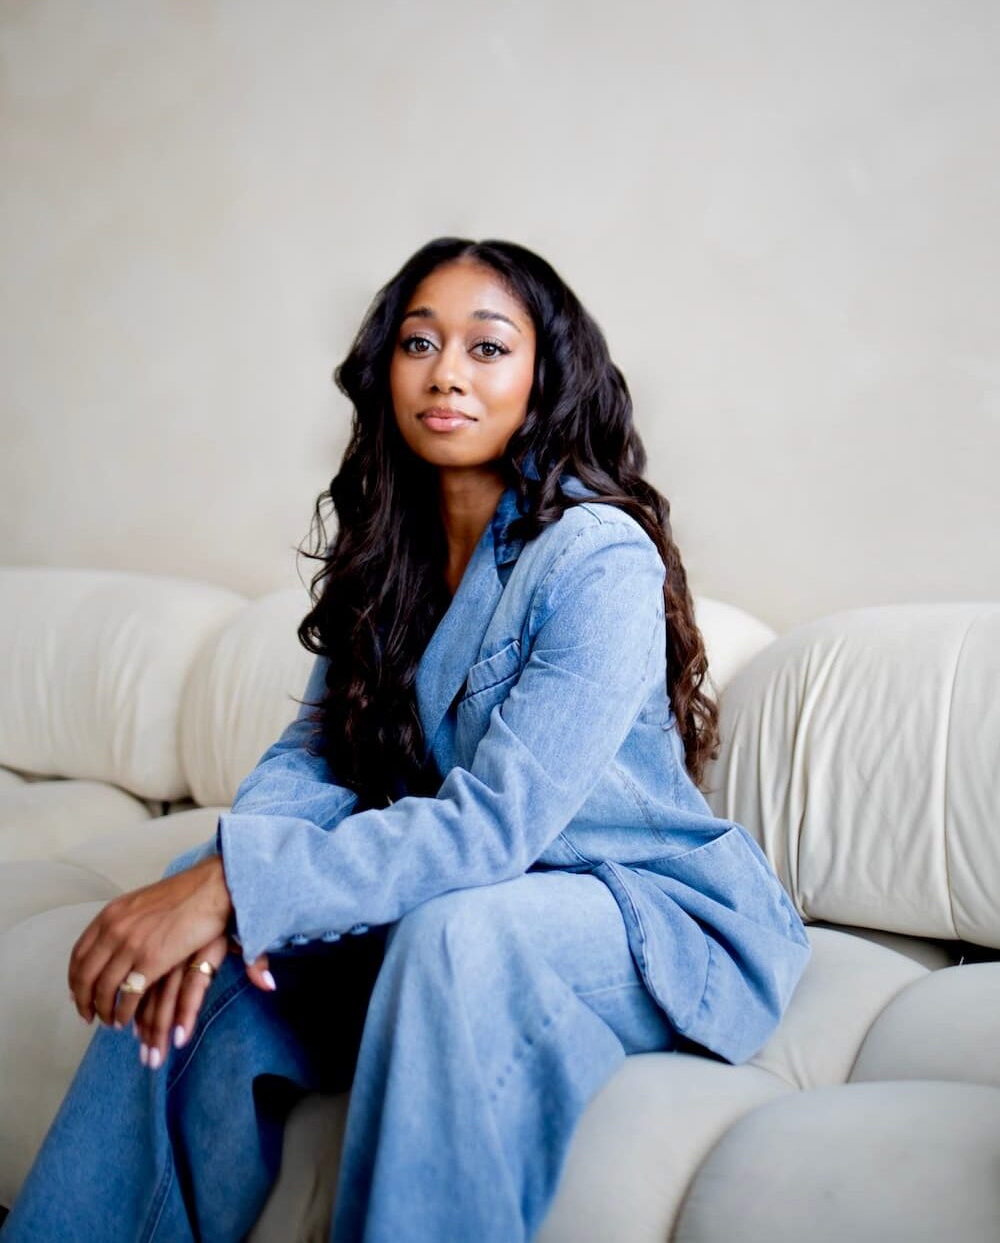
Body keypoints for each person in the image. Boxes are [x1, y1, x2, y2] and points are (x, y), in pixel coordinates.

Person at [3, 237, 812, 1242]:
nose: (445, 372)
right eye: (419, 342)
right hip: (461, 886)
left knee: (445, 931)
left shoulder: (598, 557)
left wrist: (237, 885)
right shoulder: (386, 561)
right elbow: (309, 763)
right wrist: (224, 883)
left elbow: (496, 828)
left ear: (544, 376)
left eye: (486, 347)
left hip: (638, 910)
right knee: (200, 942)